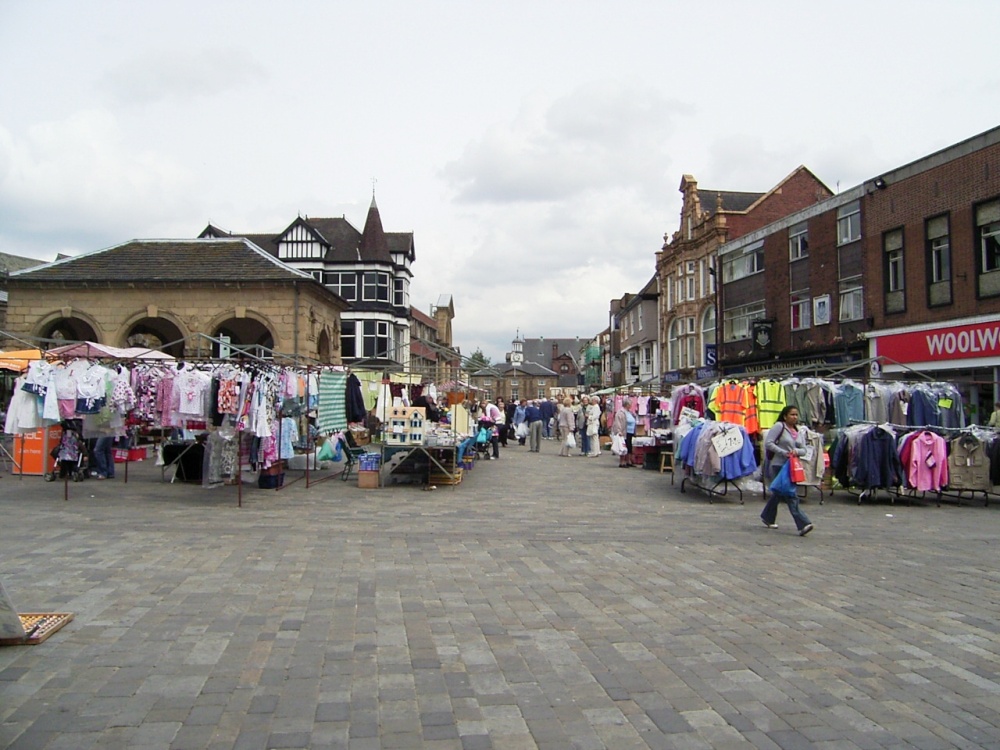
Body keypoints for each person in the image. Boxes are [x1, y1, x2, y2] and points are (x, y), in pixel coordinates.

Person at [761, 405, 814, 536]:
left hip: (792, 465)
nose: (794, 417)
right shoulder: (779, 427)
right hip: (779, 464)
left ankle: (767, 516)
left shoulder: (798, 431)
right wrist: (783, 452)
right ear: (785, 416)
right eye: (792, 414)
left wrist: (797, 451)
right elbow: (769, 443)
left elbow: (804, 449)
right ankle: (803, 523)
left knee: (779, 493)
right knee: (790, 494)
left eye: (796, 415)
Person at [611, 398, 635, 468]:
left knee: (629, 446)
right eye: (630, 404)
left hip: (630, 432)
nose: (631, 405)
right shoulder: (620, 412)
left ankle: (628, 461)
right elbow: (617, 422)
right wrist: (619, 431)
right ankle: (622, 462)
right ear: (627, 405)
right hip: (624, 432)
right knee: (623, 447)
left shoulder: (630, 412)